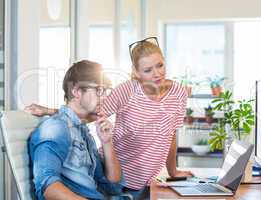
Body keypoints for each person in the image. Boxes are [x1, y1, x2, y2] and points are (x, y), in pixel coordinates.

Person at [26, 37, 192, 200]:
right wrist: (52, 111)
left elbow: (171, 136)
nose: (156, 74)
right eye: (148, 70)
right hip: (123, 182)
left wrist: (173, 171)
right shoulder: (57, 128)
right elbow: (88, 112)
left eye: (160, 65)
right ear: (136, 72)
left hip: (144, 181)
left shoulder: (178, 93)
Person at [29, 60, 124, 200]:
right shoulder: (55, 128)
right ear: (77, 92)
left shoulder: (83, 132)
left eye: (106, 91)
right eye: (99, 90)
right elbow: (47, 186)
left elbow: (113, 185)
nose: (104, 97)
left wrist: (107, 142)